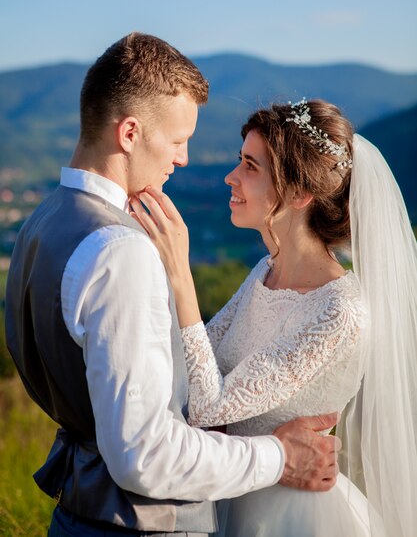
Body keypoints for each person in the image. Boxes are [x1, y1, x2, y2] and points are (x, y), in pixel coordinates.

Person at [5, 34, 340, 537]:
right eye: (178, 140)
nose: (183, 158)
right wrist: (280, 456)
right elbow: (145, 452)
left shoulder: (41, 223)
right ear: (130, 133)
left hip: (76, 514)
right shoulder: (121, 250)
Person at [133, 98, 417, 536]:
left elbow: (210, 405)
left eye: (250, 165)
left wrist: (180, 276)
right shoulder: (265, 272)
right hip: (233, 493)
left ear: (300, 193)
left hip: (291, 517)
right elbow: (194, 367)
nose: (231, 176)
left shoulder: (340, 310)